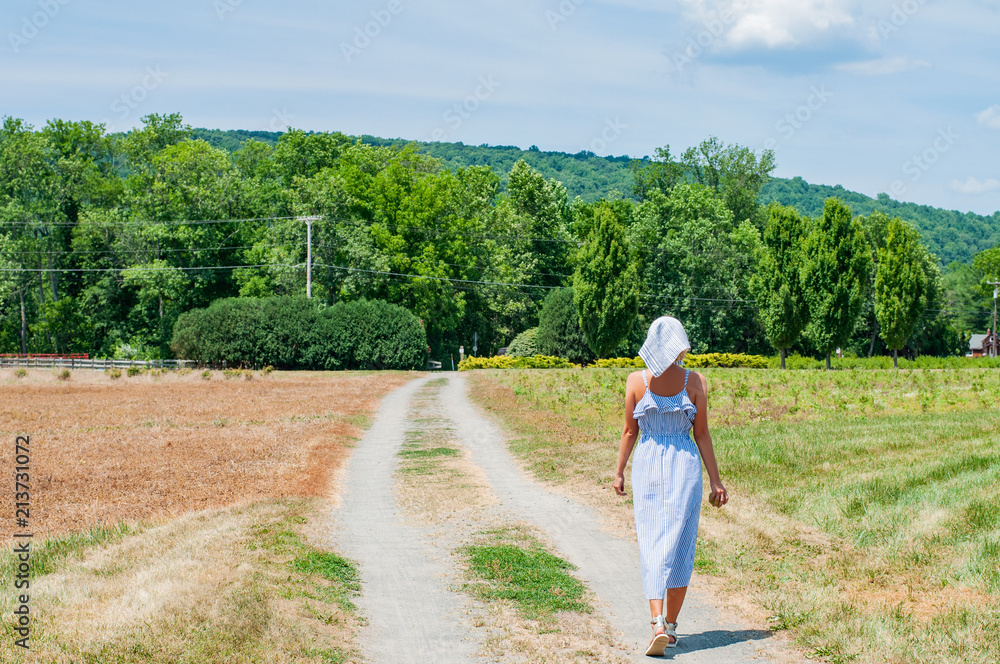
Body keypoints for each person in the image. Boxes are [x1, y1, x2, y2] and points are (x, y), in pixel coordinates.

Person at [613, 316, 728, 656]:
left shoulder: (637, 381)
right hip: (685, 465)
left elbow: (629, 432)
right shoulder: (696, 381)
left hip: (648, 463)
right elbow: (702, 434)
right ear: (680, 344)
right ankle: (673, 626)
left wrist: (619, 471)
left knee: (651, 540)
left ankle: (656, 623)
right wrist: (716, 481)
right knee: (680, 542)